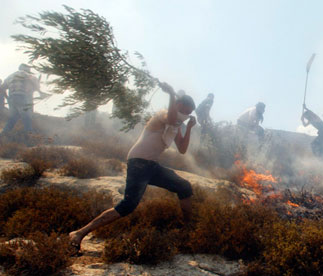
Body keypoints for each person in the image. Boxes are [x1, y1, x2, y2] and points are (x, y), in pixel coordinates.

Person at [69, 82, 196, 253]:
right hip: (139, 163)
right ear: (177, 105)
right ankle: (78, 233)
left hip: (151, 166)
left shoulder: (176, 125)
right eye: (184, 111)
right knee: (128, 205)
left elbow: (182, 149)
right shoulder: (163, 114)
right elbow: (172, 118)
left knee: (184, 187)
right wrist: (172, 94)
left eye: (188, 114)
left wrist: (188, 128)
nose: (185, 115)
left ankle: (189, 229)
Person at [0, 64, 40, 135]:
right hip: (22, 97)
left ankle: (3, 134)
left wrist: (8, 98)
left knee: (14, 117)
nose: (30, 70)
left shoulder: (10, 76)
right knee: (26, 117)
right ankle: (30, 135)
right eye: (29, 69)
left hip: (12, 98)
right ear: (26, 69)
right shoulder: (29, 76)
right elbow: (36, 87)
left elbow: (2, 88)